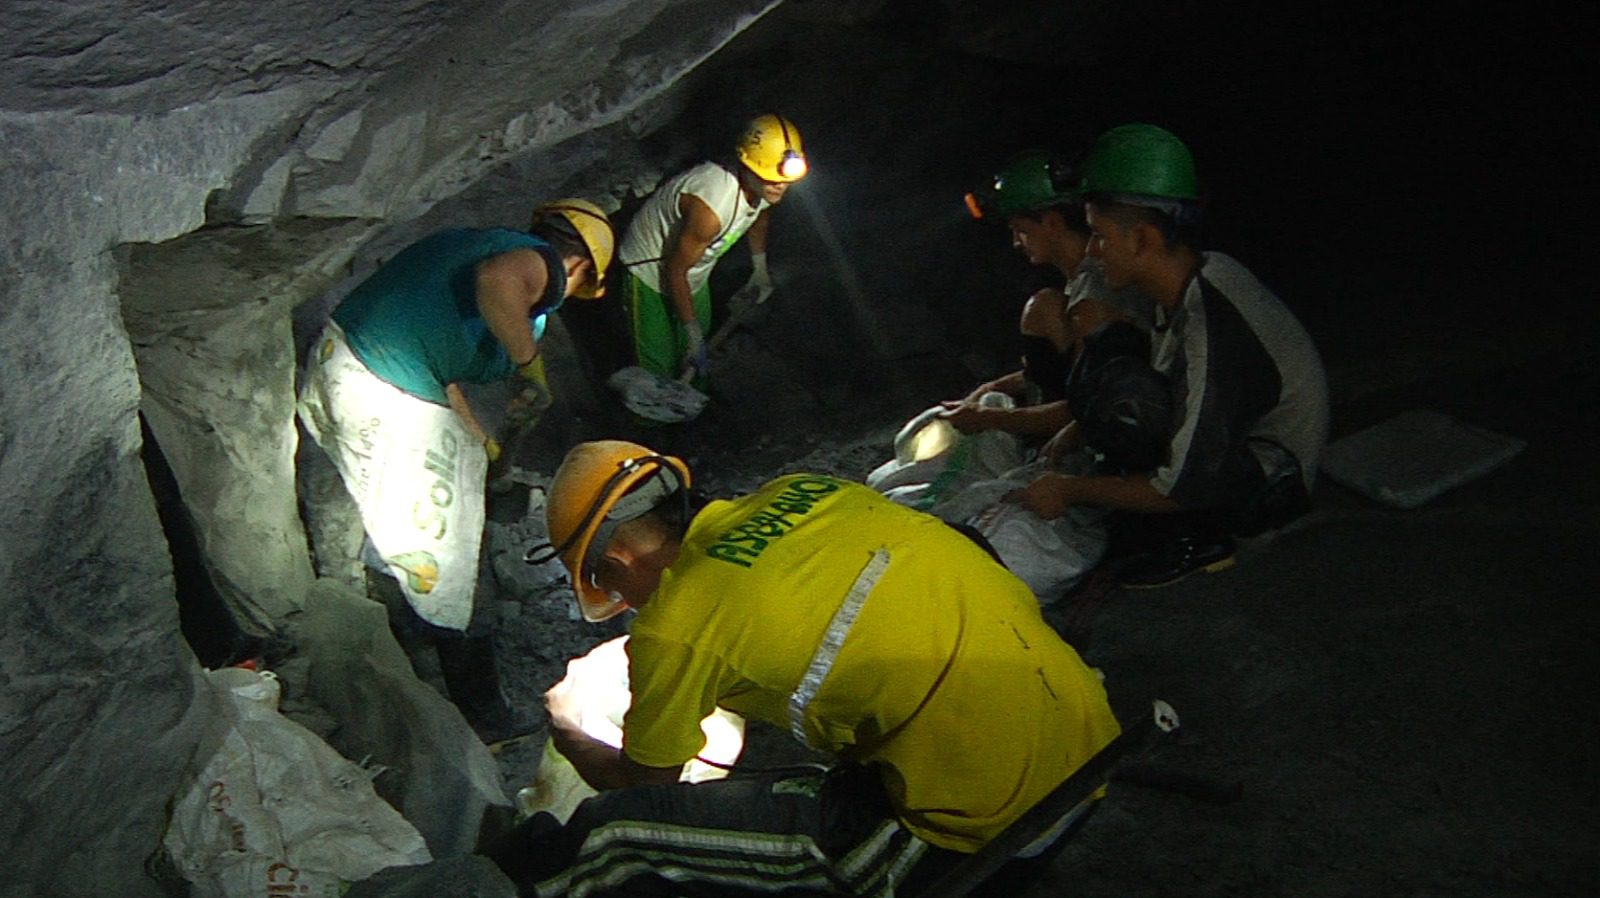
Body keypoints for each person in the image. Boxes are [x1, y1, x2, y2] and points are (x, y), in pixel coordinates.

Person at [491, 440, 1121, 896]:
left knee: (612, 837)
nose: (624, 604)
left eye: (607, 582)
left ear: (621, 553)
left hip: (974, 833)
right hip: (1089, 743)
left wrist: (570, 727)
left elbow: (643, 785)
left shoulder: (675, 624)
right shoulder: (808, 493)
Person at [295, 199, 614, 739]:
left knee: (387, 519)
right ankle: (481, 708)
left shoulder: (469, 245)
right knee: (448, 554)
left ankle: (400, 629)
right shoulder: (534, 262)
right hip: (383, 391)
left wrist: (479, 439)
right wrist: (529, 365)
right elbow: (501, 281)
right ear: (578, 267)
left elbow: (440, 366)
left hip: (339, 366)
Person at [1007, 124, 1330, 588]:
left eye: (1099, 236)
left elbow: (1182, 480)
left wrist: (1070, 490)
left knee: (1122, 387)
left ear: (1141, 239)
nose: (1094, 252)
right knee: (1112, 359)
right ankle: (1152, 523)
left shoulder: (1213, 310)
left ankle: (1198, 541)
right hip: (1236, 449)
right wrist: (1073, 433)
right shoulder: (1181, 286)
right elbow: (1166, 380)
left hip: (1269, 485)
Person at [944, 149, 1152, 458]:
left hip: (1118, 441)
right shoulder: (1083, 281)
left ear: (1052, 222)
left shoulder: (1092, 294)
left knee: (1042, 307)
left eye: (1021, 230)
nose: (1016, 243)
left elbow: (1089, 405)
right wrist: (990, 390)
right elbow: (1059, 373)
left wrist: (988, 418)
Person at [617, 113, 809, 385]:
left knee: (697, 354)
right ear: (746, 166)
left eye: (785, 181)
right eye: (770, 178)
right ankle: (648, 423)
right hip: (649, 270)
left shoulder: (763, 187)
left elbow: (759, 214)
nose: (780, 186)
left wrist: (760, 268)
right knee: (658, 365)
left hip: (694, 270)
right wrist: (691, 332)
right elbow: (675, 270)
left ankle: (692, 413)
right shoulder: (712, 206)